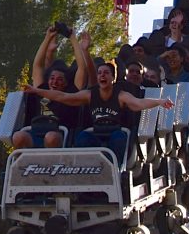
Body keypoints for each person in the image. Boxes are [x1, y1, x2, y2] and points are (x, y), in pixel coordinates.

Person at [24, 62, 173, 163]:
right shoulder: (89, 95)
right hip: (96, 133)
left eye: (106, 73)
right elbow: (62, 96)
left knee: (119, 137)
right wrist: (37, 91)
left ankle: (115, 171)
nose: (102, 75)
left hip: (115, 133)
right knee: (82, 137)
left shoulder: (121, 95)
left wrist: (159, 102)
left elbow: (139, 103)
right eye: (100, 73)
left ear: (113, 78)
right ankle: (86, 172)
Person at [12, 24, 88, 149]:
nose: (54, 82)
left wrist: (73, 38)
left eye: (59, 80)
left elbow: (82, 68)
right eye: (52, 78)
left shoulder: (71, 93)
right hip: (36, 132)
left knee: (50, 137)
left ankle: (48, 160)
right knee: (18, 137)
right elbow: (37, 65)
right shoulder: (41, 89)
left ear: (66, 83)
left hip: (58, 135)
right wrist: (48, 38)